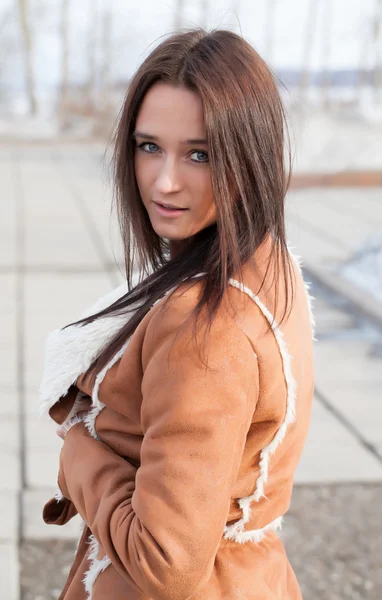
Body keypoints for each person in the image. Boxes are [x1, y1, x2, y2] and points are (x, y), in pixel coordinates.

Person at [39, 27, 315, 600]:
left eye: (200, 154)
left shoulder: (205, 327)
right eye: (148, 146)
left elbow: (165, 563)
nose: (165, 181)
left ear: (249, 153)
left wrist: (78, 455)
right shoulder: (264, 260)